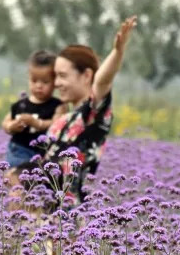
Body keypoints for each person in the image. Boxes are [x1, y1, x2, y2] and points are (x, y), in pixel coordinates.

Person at [42, 16, 138, 207]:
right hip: (46, 213)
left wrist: (117, 52)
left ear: (86, 75)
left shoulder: (92, 114)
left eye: (62, 76)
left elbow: (102, 81)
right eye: (55, 76)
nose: (57, 83)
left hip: (71, 215)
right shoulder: (65, 118)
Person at [1, 50, 67, 168]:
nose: (38, 86)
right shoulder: (21, 105)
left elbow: (58, 124)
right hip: (18, 152)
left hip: (45, 154)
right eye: (34, 81)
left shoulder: (58, 106)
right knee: (18, 180)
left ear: (55, 82)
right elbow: (6, 122)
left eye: (45, 82)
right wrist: (11, 126)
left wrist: (37, 123)